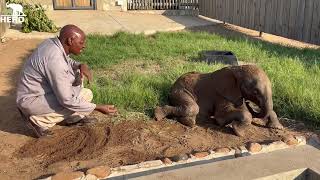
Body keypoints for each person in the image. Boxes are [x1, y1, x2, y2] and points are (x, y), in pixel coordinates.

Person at [16, 24, 117, 137]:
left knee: (81, 86)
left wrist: (80, 65)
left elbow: (66, 60)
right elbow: (67, 100)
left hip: (37, 93)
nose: (84, 46)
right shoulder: (55, 60)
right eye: (81, 42)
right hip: (31, 101)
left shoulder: (52, 44)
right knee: (83, 97)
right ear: (70, 40)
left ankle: (67, 116)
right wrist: (97, 107)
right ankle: (38, 121)